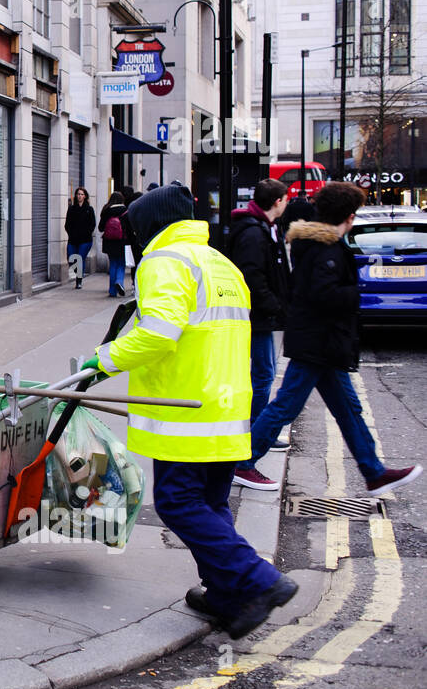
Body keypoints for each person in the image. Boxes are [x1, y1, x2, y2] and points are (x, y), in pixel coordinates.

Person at [83, 182, 297, 639]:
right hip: (226, 405)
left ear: (150, 228)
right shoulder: (219, 263)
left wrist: (103, 360)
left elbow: (159, 333)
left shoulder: (164, 262)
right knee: (211, 502)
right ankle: (227, 595)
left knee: (179, 504)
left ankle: (260, 580)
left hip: (186, 409)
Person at [235, 182, 422, 497]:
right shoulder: (326, 251)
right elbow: (322, 295)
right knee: (284, 408)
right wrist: (355, 294)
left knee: (349, 409)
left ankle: (374, 472)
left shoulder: (318, 245)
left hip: (323, 345)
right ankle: (241, 463)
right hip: (317, 345)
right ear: (348, 217)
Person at [227, 178, 291, 489]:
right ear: (277, 201)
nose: (288, 203)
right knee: (263, 376)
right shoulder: (254, 231)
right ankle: (250, 441)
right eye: (286, 198)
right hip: (257, 316)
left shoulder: (264, 227)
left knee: (263, 375)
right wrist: (274, 305)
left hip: (261, 315)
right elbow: (251, 275)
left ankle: (258, 433)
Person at [64, 187, 96, 290]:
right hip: (73, 239)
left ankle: (79, 281)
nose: (79, 196)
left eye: (82, 194)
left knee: (79, 259)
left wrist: (87, 233)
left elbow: (93, 224)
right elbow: (67, 224)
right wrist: (71, 233)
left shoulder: (89, 209)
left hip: (85, 240)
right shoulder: (71, 209)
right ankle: (78, 273)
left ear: (85, 196)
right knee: (71, 259)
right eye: (78, 194)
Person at [98, 192, 128, 297]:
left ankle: (112, 291)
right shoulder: (125, 211)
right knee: (121, 264)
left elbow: (100, 227)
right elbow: (129, 227)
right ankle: (119, 282)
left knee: (113, 264)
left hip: (109, 242)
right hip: (122, 241)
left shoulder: (106, 210)